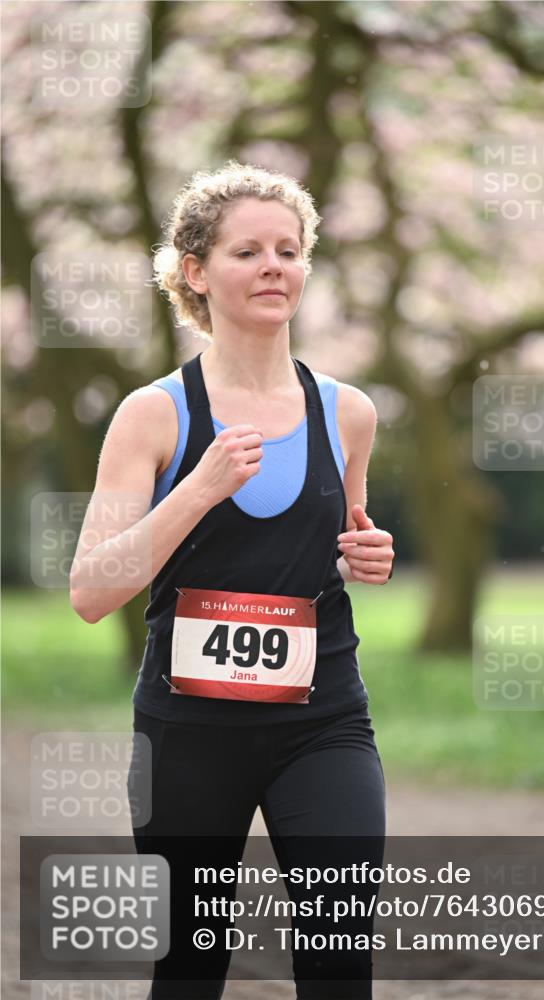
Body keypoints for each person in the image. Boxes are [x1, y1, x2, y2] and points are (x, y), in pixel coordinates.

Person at [70, 161, 394, 999]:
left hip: (322, 721)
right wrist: (201, 487)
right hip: (187, 734)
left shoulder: (346, 412)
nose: (273, 266)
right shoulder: (155, 414)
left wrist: (366, 559)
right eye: (247, 251)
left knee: (338, 957)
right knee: (189, 968)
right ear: (195, 272)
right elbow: (92, 590)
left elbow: (339, 543)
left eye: (288, 249)